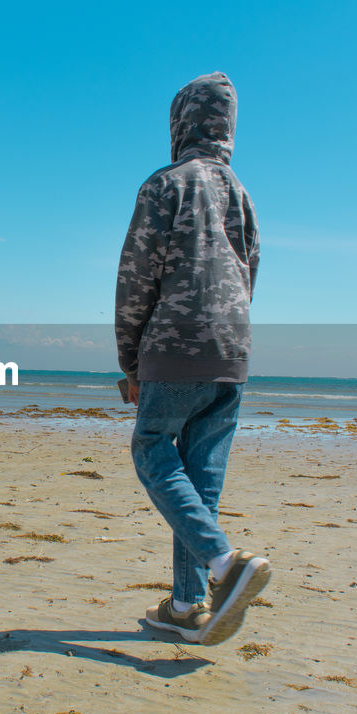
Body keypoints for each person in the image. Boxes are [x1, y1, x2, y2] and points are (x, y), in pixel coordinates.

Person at [115, 72, 270, 646]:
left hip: (174, 344)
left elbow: (135, 280)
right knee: (200, 478)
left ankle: (225, 563)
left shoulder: (167, 184)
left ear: (179, 124)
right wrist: (230, 338)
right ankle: (186, 604)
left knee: (153, 450)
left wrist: (131, 362)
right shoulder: (242, 193)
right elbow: (251, 271)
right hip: (232, 348)